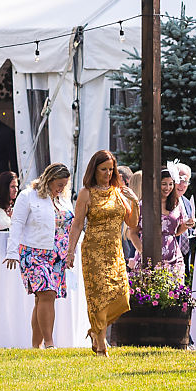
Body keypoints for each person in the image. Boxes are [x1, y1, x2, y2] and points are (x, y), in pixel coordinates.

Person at [69, 149, 134, 355]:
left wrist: (134, 201)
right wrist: (70, 251)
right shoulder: (86, 193)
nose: (107, 173)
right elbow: (78, 224)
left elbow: (131, 223)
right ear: (94, 170)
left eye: (111, 169)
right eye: (103, 169)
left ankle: (96, 333)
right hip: (93, 250)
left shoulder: (118, 192)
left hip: (115, 251)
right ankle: (101, 342)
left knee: (121, 295)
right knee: (98, 297)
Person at [6, 164, 70, 348]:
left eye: (64, 185)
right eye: (59, 184)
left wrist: (71, 251)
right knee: (47, 293)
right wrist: (12, 252)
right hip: (33, 251)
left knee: (42, 298)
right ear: (48, 180)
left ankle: (35, 346)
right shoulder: (28, 196)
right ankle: (50, 344)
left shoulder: (63, 199)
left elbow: (71, 225)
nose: (61, 189)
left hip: (58, 254)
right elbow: (17, 223)